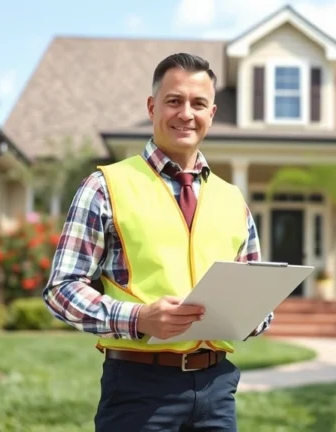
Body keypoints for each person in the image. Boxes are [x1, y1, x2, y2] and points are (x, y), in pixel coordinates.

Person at [42, 52, 273, 431]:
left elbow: (258, 306)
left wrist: (251, 315)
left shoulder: (234, 200)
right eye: (174, 101)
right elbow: (61, 289)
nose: (186, 113)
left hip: (217, 389)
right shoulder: (105, 186)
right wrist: (139, 318)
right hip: (138, 389)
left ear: (211, 114)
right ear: (152, 107)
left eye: (198, 103)